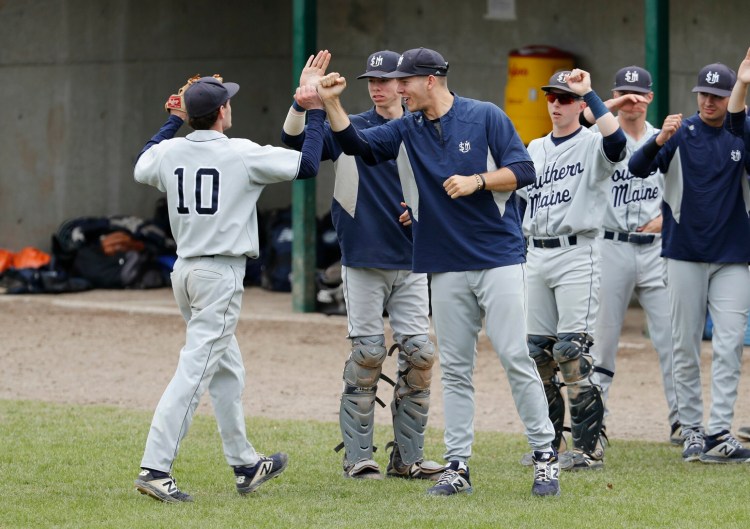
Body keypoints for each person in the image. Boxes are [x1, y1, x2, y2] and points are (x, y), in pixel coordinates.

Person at [316, 47, 561, 497]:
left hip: (498, 258)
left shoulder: (485, 116)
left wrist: (478, 181)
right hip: (444, 265)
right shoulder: (406, 127)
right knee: (456, 370)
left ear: (430, 80)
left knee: (513, 356)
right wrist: (330, 103)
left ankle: (545, 456)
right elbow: (359, 147)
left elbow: (525, 170)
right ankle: (458, 465)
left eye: (404, 82)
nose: (397, 89)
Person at [132, 75, 327, 502]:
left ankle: (245, 463)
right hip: (218, 275)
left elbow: (142, 163)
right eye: (227, 102)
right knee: (194, 373)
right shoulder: (240, 152)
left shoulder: (169, 150)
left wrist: (172, 122)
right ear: (221, 112)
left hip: (185, 273)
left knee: (226, 370)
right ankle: (155, 468)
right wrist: (315, 111)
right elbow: (308, 165)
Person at [280, 50, 443, 480]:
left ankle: (408, 458)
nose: (377, 86)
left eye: (386, 79)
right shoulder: (346, 123)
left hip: (412, 257)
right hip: (363, 257)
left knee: (421, 355)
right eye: (371, 79)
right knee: (368, 354)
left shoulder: (423, 127)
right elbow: (295, 145)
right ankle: (358, 456)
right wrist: (303, 102)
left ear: (404, 84)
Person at [629, 60, 750, 463]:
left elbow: (740, 129)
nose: (708, 101)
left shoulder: (741, 131)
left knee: (730, 343)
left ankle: (719, 432)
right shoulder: (682, 133)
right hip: (684, 253)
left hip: (733, 255)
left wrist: (744, 90)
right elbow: (637, 167)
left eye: (717, 95)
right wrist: (658, 139)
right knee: (684, 345)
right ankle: (692, 429)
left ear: (731, 97)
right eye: (703, 93)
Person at [515, 69, 626, 470]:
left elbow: (617, 143)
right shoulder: (535, 147)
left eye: (566, 98)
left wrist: (591, 93)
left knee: (571, 351)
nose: (557, 104)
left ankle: (587, 449)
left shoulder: (593, 143)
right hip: (536, 254)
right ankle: (550, 445)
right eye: (552, 97)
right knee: (537, 354)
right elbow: (518, 197)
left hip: (577, 252)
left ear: (581, 105)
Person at [581, 66, 680, 446]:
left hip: (655, 251)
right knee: (602, 342)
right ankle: (595, 426)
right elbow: (583, 114)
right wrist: (610, 103)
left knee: (671, 341)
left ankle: (681, 422)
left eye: (638, 94)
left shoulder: (664, 138)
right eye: (624, 93)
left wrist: (665, 219)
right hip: (611, 246)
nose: (632, 100)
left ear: (651, 98)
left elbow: (683, 187)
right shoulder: (598, 137)